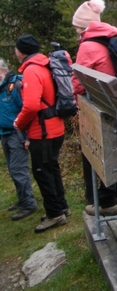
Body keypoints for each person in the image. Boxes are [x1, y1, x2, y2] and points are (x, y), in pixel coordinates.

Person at [71, 0, 117, 216]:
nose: (76, 32)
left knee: (106, 150)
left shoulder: (88, 45)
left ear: (84, 26)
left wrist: (72, 95)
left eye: (77, 27)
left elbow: (78, 80)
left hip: (103, 105)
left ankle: (106, 202)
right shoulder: (109, 38)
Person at [13, 34, 69, 233]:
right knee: (52, 168)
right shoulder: (46, 64)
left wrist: (19, 124)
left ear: (21, 51)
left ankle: (55, 215)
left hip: (42, 131)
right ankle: (61, 206)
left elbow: (30, 105)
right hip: (56, 127)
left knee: (42, 172)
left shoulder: (32, 71)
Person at [0, 59, 39, 220]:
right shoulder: (2, 88)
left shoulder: (14, 86)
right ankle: (22, 199)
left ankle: (28, 204)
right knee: (12, 168)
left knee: (18, 169)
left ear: (2, 71)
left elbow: (28, 110)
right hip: (5, 133)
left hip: (18, 134)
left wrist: (28, 137)